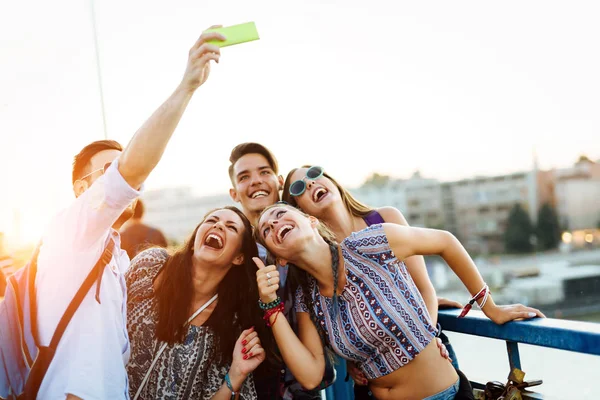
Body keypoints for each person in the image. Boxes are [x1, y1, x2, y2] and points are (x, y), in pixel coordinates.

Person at [30, 26, 227, 399]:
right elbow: (133, 169)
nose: (118, 176)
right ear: (81, 190)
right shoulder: (71, 231)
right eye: (108, 170)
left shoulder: (116, 256)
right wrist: (186, 86)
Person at [255, 203, 544, 400]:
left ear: (311, 221)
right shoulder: (309, 300)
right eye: (266, 229)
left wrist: (489, 307)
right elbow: (309, 376)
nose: (274, 224)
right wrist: (270, 306)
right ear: (279, 257)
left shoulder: (367, 245)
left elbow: (444, 241)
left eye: (280, 214)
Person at [281, 166, 462, 397]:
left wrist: (428, 334)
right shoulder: (313, 262)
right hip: (372, 384)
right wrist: (352, 358)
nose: (309, 183)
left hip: (428, 358)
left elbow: (423, 286)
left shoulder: (382, 220)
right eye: (298, 187)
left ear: (332, 180)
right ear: (300, 212)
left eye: (315, 173)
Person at [126, 206, 275, 399]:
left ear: (238, 258)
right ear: (195, 240)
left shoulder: (231, 327)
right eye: (212, 221)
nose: (219, 225)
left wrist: (236, 374)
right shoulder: (151, 266)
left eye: (231, 227)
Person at [228, 143, 332, 399]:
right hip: (252, 388)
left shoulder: (308, 239)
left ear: (279, 181)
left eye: (264, 172)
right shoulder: (232, 255)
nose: (255, 181)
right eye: (244, 177)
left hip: (303, 387)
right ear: (234, 193)